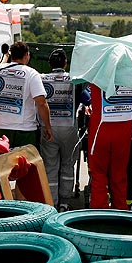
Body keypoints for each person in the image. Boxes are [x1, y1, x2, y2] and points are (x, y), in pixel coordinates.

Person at [39, 48, 84, 211]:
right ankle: (65, 202)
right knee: (67, 166)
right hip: (69, 128)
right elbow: (86, 99)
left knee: (50, 166)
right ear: (65, 63)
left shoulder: (41, 78)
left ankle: (51, 203)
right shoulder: (74, 79)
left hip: (48, 128)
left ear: (50, 64)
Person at [0, 41, 53, 149]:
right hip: (24, 131)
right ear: (26, 55)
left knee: (1, 164)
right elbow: (41, 103)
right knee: (24, 164)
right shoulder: (32, 74)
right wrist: (48, 126)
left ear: (11, 55)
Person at [87, 84, 132, 210]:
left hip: (101, 129)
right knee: (119, 174)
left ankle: (100, 212)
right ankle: (120, 213)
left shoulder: (97, 75)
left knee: (98, 174)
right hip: (123, 130)